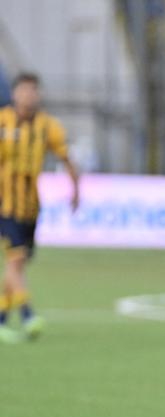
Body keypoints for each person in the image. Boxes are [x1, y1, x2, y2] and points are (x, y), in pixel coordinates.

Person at [0, 72, 80, 343]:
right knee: (16, 259)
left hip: (31, 206)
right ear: (14, 94)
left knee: (18, 265)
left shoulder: (48, 126)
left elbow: (67, 158)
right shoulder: (3, 122)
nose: (28, 95)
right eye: (23, 90)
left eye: (33, 91)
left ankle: (1, 318)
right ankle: (27, 315)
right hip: (4, 203)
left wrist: (76, 190)